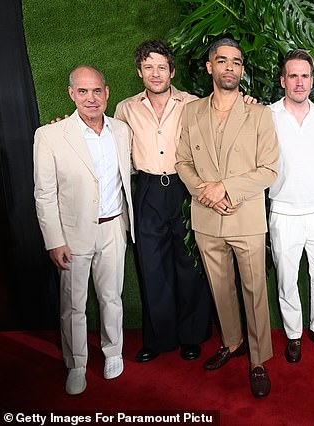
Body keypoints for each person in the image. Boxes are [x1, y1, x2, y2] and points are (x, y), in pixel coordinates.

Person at [175, 38, 279, 398]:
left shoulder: (259, 114)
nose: (230, 67)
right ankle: (232, 342)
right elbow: (182, 162)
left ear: (242, 69)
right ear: (210, 67)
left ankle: (259, 360)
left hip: (245, 216)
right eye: (223, 61)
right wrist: (204, 192)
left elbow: (269, 170)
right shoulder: (192, 112)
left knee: (254, 291)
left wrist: (226, 189)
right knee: (221, 289)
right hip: (206, 218)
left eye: (236, 62)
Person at [33, 65, 134, 395]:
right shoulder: (49, 135)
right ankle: (76, 364)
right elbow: (44, 193)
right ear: (71, 94)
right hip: (72, 235)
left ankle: (113, 352)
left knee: (111, 297)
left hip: (113, 228)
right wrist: (54, 240)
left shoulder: (122, 130)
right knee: (73, 305)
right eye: (82, 91)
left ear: (106, 93)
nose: (90, 98)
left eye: (96, 91)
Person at [114, 40, 213, 363]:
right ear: (139, 72)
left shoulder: (193, 103)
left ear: (171, 71)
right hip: (147, 189)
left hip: (184, 188)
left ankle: (191, 336)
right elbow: (111, 149)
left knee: (189, 266)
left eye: (161, 67)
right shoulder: (125, 109)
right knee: (152, 267)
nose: (155, 74)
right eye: (147, 67)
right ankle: (158, 338)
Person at [269, 49, 314, 364]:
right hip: (283, 211)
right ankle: (294, 334)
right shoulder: (266, 116)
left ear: (312, 80)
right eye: (293, 76)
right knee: (287, 277)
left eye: (305, 76)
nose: (299, 82)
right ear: (283, 80)